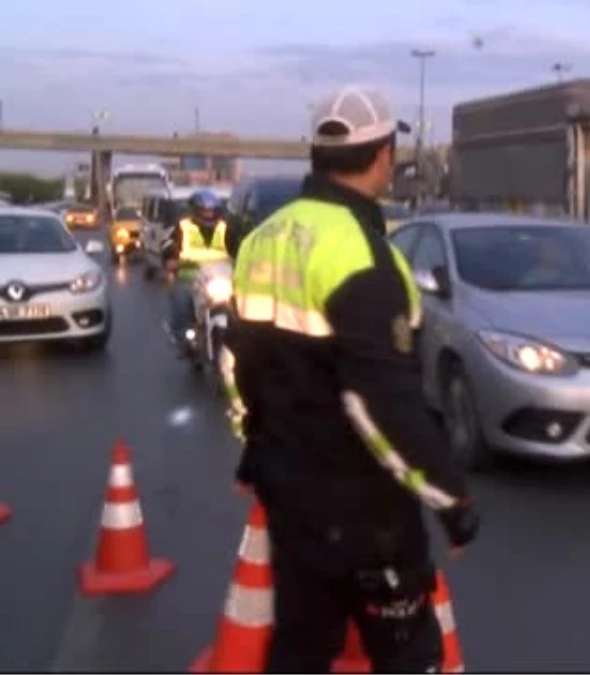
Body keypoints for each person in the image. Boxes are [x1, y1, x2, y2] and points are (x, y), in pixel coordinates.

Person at [220, 85, 479, 672]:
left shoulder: (263, 238)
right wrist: (450, 498)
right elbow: (381, 405)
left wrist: (251, 454)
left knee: (301, 647)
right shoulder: (362, 256)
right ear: (384, 154)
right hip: (367, 513)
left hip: (286, 492)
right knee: (409, 655)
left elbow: (238, 364)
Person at [166, 189, 229, 354]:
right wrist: (172, 261)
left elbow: (240, 248)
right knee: (181, 301)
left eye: (212, 211)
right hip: (190, 278)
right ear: (195, 211)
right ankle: (182, 338)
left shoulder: (226, 228)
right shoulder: (182, 227)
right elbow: (168, 248)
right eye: (205, 211)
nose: (209, 215)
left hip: (221, 278)